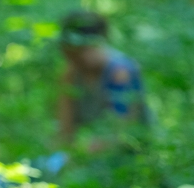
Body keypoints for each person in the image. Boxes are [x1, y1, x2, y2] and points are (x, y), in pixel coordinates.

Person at [55, 10, 149, 154]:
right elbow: (65, 129)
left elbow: (122, 129)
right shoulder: (72, 75)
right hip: (94, 156)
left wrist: (81, 153)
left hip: (133, 155)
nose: (70, 57)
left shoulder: (120, 72)